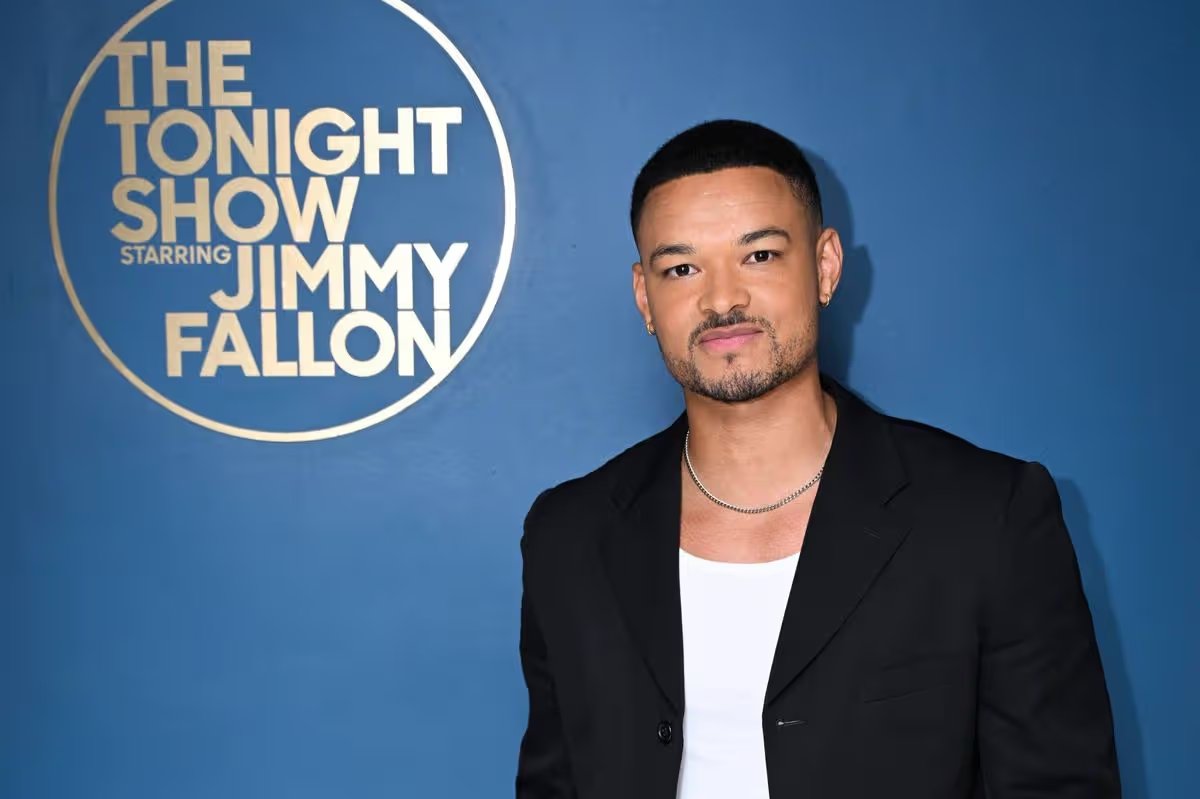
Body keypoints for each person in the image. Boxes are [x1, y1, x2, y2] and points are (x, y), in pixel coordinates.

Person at [515, 119, 1120, 798]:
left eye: (760, 255)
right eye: (681, 268)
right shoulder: (568, 535)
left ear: (825, 265)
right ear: (644, 297)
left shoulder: (987, 518)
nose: (721, 299)